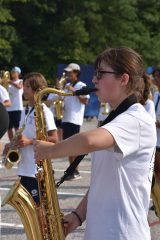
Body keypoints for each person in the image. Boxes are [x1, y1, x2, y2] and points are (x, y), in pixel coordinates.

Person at [34, 47, 156, 240]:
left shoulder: (136, 119)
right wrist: (78, 215)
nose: (93, 80)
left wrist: (50, 150)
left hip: (122, 233)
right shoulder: (117, 119)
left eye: (100, 74)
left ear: (123, 79)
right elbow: (102, 180)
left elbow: (89, 140)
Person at [4, 72, 58, 204]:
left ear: (37, 90)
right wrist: (11, 144)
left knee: (38, 209)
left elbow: (54, 138)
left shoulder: (44, 111)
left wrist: (29, 142)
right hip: (25, 168)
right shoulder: (26, 110)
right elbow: (23, 135)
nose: (24, 89)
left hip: (36, 170)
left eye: (27, 86)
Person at [62, 63, 90, 180]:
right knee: (68, 146)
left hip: (75, 119)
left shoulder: (81, 85)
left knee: (75, 146)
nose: (68, 74)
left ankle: (76, 170)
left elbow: (85, 101)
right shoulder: (67, 84)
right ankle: (71, 170)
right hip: (66, 118)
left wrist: (73, 91)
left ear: (76, 73)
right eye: (67, 72)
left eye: (70, 72)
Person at [6, 66, 23, 141]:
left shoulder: (20, 81)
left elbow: (19, 87)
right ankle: (12, 144)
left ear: (18, 73)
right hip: (8, 108)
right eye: (12, 72)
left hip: (17, 108)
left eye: (14, 72)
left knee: (17, 127)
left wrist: (10, 82)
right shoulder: (7, 84)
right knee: (9, 128)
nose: (12, 73)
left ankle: (17, 143)